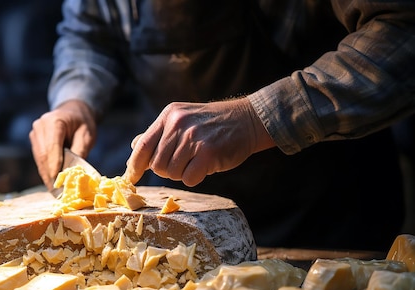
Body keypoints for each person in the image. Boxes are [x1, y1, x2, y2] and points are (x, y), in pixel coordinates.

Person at [29, 0, 415, 252]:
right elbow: (88, 36)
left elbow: (403, 31)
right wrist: (76, 99)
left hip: (328, 222)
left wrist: (256, 118)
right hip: (180, 229)